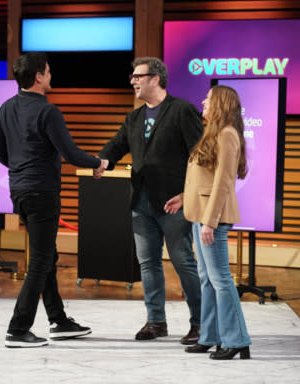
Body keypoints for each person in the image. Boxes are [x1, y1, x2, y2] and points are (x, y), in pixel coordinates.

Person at [0, 52, 108, 348]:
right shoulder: (48, 111)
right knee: (41, 261)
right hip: (41, 192)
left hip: (18, 191)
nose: (51, 76)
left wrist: (22, 167)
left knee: (47, 257)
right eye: (48, 72)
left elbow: (0, 152)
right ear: (38, 77)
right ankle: (18, 329)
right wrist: (98, 163)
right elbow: (70, 153)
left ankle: (59, 320)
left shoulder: (6, 108)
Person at [95, 57, 203, 344]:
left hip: (174, 203)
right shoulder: (134, 118)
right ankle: (156, 322)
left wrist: (187, 194)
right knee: (148, 264)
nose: (133, 81)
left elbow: (201, 158)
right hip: (141, 204)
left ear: (155, 78)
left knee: (183, 262)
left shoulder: (182, 110)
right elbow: (116, 145)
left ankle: (202, 323)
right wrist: (102, 160)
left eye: (137, 76)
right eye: (132, 76)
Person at [179, 85, 251, 359]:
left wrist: (210, 222)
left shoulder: (228, 134)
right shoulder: (213, 133)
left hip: (213, 218)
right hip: (199, 214)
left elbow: (223, 182)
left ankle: (237, 340)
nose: (203, 102)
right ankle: (210, 336)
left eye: (208, 99)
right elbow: (203, 178)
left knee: (220, 279)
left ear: (220, 104)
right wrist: (182, 198)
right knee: (206, 278)